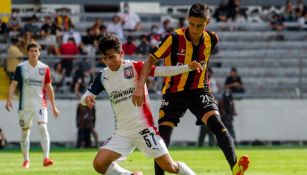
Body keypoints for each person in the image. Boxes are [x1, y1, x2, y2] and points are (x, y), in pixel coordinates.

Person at [132, 3, 249, 175]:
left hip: (199, 90)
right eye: (191, 24)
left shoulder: (212, 39)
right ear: (187, 20)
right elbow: (150, 61)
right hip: (173, 92)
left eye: (199, 25)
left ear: (207, 23)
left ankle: (235, 168)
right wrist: (140, 85)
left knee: (217, 124)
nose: (194, 29)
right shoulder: (173, 38)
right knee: (162, 138)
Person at [80, 33, 201, 175]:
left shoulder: (134, 67)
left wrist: (187, 67)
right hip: (123, 132)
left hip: (144, 129)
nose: (108, 62)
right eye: (105, 58)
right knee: (99, 164)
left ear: (121, 53)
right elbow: (86, 95)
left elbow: (162, 71)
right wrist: (86, 98)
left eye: (112, 57)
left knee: (170, 167)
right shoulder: (103, 76)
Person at [5, 42, 59, 169]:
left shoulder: (44, 68)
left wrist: (54, 106)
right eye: (31, 51)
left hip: (40, 104)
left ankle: (46, 158)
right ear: (27, 53)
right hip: (25, 106)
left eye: (36, 51)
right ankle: (26, 160)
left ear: (39, 53)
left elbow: (49, 87)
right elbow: (13, 84)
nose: (34, 53)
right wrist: (9, 100)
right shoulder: (21, 68)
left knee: (43, 128)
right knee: (25, 134)